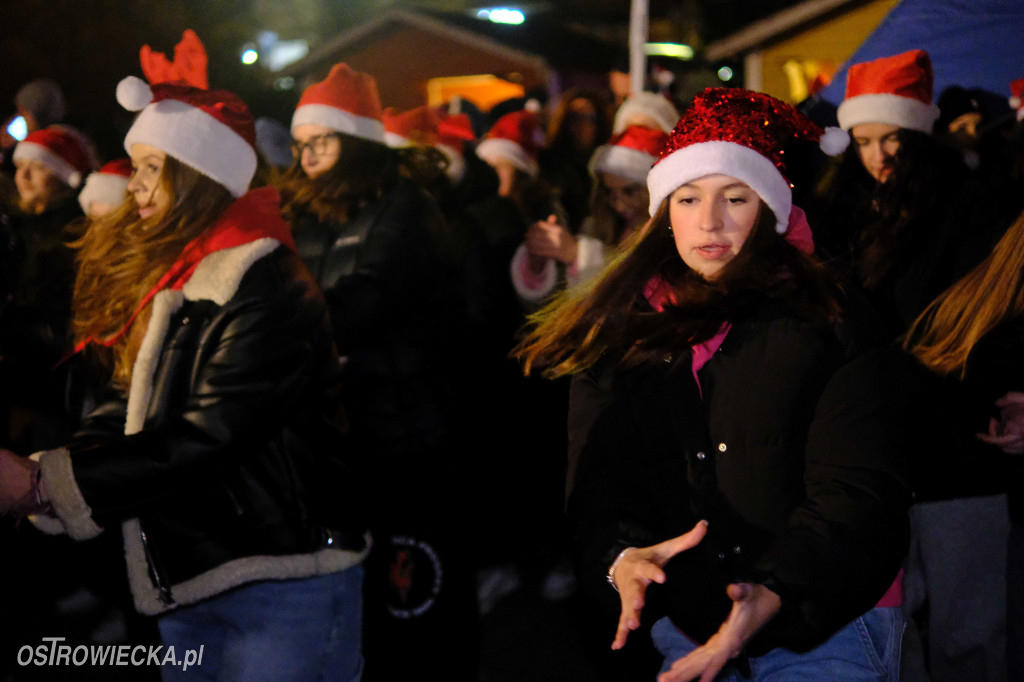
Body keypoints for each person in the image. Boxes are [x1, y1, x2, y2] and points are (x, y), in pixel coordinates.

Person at [515, 87, 910, 681]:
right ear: (663, 211)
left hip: (829, 622)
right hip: (692, 622)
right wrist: (621, 558)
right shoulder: (622, 330)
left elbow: (858, 493)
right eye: (688, 197)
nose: (709, 221)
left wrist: (775, 590)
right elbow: (599, 486)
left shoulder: (831, 320)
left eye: (735, 197)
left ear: (771, 208)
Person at [0, 70, 368, 682]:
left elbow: (209, 436)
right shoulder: (182, 274)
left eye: (150, 167)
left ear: (197, 173)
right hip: (195, 573)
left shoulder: (264, 282)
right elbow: (128, 405)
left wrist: (45, 487)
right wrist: (48, 472)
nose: (136, 186)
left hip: (283, 582)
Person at [277, 62, 476, 681]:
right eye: (302, 144)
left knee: (415, 585)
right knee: (354, 596)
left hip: (408, 427)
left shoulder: (406, 207)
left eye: (323, 141)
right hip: (338, 432)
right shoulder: (304, 212)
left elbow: (366, 297)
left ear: (357, 141)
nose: (309, 156)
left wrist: (275, 325)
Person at [901, 204, 1024, 682]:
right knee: (968, 644)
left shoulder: (974, 285)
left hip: (951, 487)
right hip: (966, 489)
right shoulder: (982, 290)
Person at [807, 49, 972, 336]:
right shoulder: (836, 203)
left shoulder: (954, 200)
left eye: (891, 138)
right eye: (863, 142)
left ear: (916, 136)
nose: (878, 155)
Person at [511, 125, 668, 305]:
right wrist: (537, 263)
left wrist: (578, 253)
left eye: (630, 191)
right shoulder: (596, 227)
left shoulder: (670, 235)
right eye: (610, 192)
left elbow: (641, 299)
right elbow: (558, 306)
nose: (618, 204)